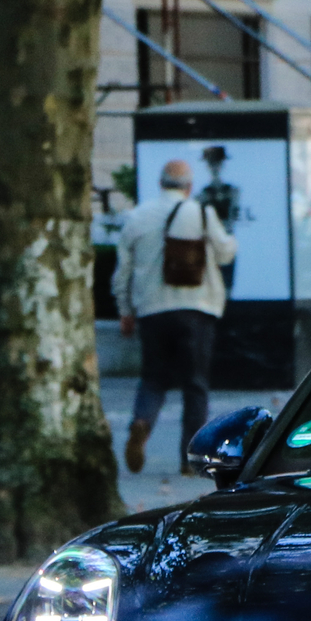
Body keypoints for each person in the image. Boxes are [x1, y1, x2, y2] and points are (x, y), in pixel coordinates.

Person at [113, 158, 237, 474]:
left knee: (153, 377)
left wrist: (125, 311)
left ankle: (142, 422)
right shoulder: (202, 213)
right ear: (189, 187)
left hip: (153, 310)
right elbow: (224, 253)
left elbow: (122, 272)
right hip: (197, 308)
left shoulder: (137, 217)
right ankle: (189, 460)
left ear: (160, 184)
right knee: (195, 385)